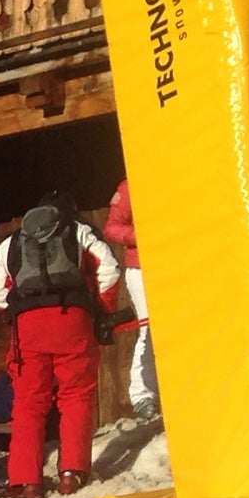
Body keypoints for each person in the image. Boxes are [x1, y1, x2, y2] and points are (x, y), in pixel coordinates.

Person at [0, 191, 120, 498]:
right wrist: (100, 309)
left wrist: (19, 314)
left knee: (28, 403)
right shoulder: (79, 231)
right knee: (76, 396)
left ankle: (26, 481)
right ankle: (71, 474)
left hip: (28, 329)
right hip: (73, 321)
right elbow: (110, 270)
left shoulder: (12, 242)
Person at [102, 179, 158, 419]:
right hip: (142, 268)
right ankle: (143, 394)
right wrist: (142, 235)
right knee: (150, 329)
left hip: (179, 265)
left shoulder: (180, 177)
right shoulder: (132, 185)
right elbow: (111, 227)